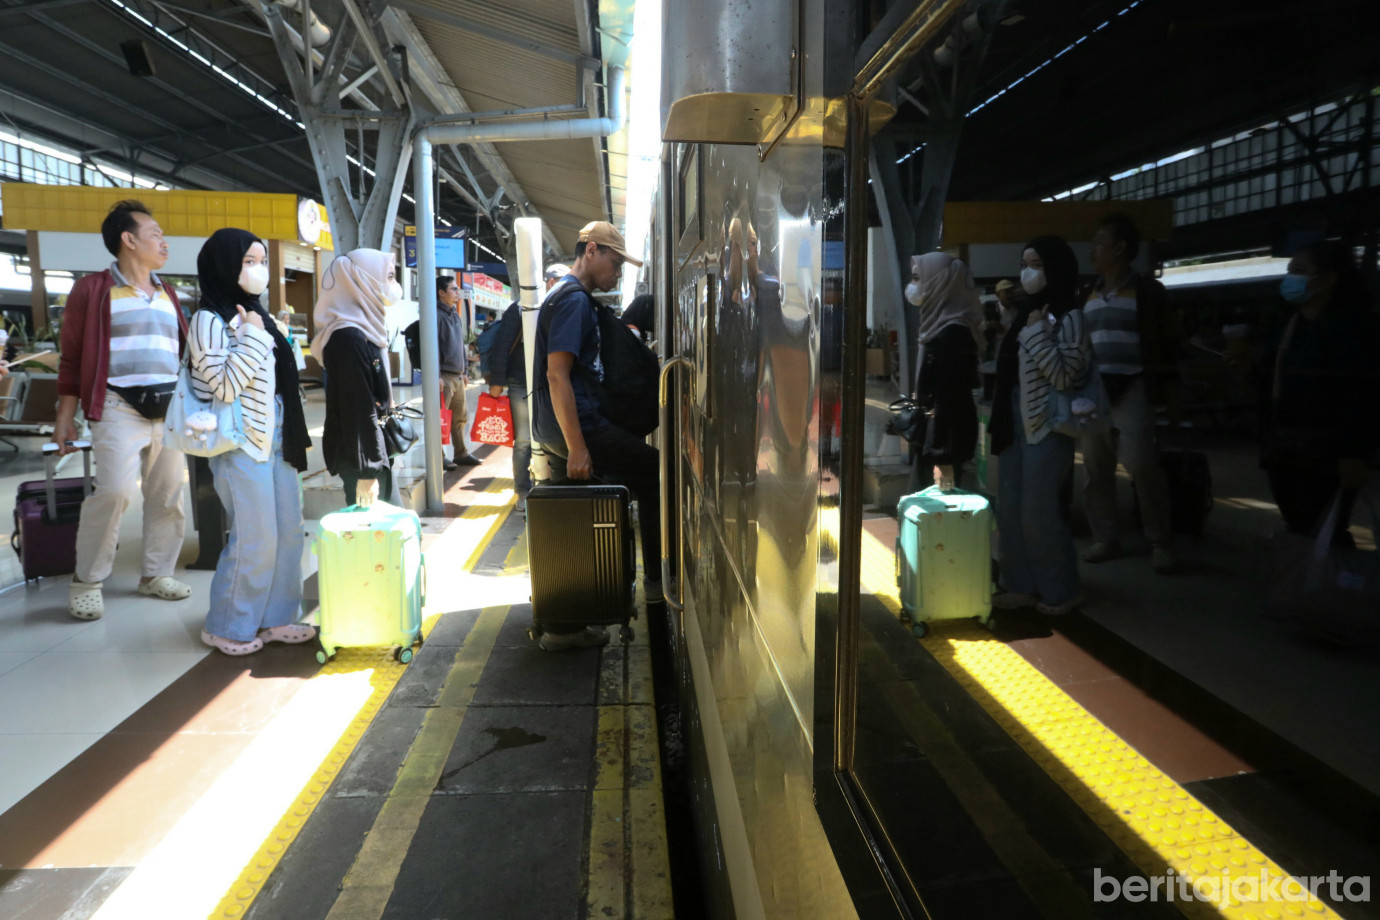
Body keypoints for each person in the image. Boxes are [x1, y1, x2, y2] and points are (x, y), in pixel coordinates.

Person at [55, 200, 191, 620]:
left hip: (168, 407)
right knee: (114, 491)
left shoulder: (169, 292)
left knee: (168, 494)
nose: (163, 242)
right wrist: (64, 417)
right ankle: (87, 580)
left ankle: (156, 575)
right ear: (128, 240)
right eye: (155, 234)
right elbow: (72, 357)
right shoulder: (93, 290)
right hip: (116, 405)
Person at [532, 222, 659, 651]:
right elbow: (557, 374)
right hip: (579, 427)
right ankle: (660, 585)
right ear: (590, 250)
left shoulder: (568, 297)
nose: (618, 272)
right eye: (615, 261)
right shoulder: (572, 302)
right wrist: (578, 447)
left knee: (580, 518)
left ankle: (568, 624)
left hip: (573, 427)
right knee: (655, 471)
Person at [187, 229, 314, 655]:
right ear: (225, 265)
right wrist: (254, 336)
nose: (259, 269)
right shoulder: (208, 320)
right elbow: (223, 386)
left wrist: (261, 331)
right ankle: (227, 625)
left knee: (289, 534)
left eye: (261, 261)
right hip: (240, 442)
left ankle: (275, 617)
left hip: (277, 438)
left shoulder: (259, 314)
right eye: (249, 261)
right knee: (255, 537)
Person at [988, 236, 1090, 616]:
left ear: (1056, 269)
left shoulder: (1070, 318)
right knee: (1010, 509)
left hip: (1047, 426)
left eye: (1037, 264)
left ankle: (1060, 590)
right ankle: (1021, 585)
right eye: (1024, 262)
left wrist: (1035, 332)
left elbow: (1066, 376)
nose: (1027, 272)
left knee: (1039, 512)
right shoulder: (1026, 313)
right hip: (1014, 424)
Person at [1259, 240, 1379, 545]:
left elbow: (1359, 396)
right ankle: (1309, 586)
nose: (1289, 279)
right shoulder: (1288, 326)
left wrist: (1353, 454)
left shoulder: (1353, 330)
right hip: (1285, 446)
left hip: (1330, 450)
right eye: (1289, 271)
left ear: (1327, 278)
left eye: (1299, 271)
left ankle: (1328, 586)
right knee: (1298, 523)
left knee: (1327, 527)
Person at [1079, 213, 1179, 573]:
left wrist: (1168, 391)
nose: (1094, 249)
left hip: (1135, 384)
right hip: (1096, 389)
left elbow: (1166, 342)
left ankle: (1160, 541)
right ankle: (1106, 537)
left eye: (1100, 241)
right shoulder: (1088, 290)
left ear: (1121, 248)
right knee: (1095, 468)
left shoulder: (1148, 290)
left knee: (1141, 464)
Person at [315, 250, 402, 509]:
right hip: (360, 459)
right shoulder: (347, 339)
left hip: (369, 452)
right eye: (388, 277)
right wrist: (368, 472)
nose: (393, 286)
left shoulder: (362, 330)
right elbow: (358, 408)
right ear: (361, 281)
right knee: (373, 538)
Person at [484, 264, 571, 512]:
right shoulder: (520, 307)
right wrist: (497, 382)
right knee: (523, 440)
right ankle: (522, 491)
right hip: (521, 382)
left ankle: (550, 484)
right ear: (551, 282)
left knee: (552, 434)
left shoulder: (560, 308)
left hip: (549, 382)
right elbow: (503, 344)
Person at [904, 252, 983, 491]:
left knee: (933, 514)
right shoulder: (939, 324)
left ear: (939, 282)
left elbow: (950, 398)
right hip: (933, 438)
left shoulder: (953, 333)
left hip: (941, 443)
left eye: (918, 278)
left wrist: (943, 459)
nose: (912, 286)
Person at [436, 275, 480, 470]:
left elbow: (460, 345)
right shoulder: (435, 315)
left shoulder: (453, 313)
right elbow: (433, 345)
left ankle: (461, 453)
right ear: (441, 293)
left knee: (459, 417)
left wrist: (465, 372)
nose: (457, 293)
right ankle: (438, 456)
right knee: (440, 418)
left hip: (457, 375)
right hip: (443, 376)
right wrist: (435, 374)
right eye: (453, 289)